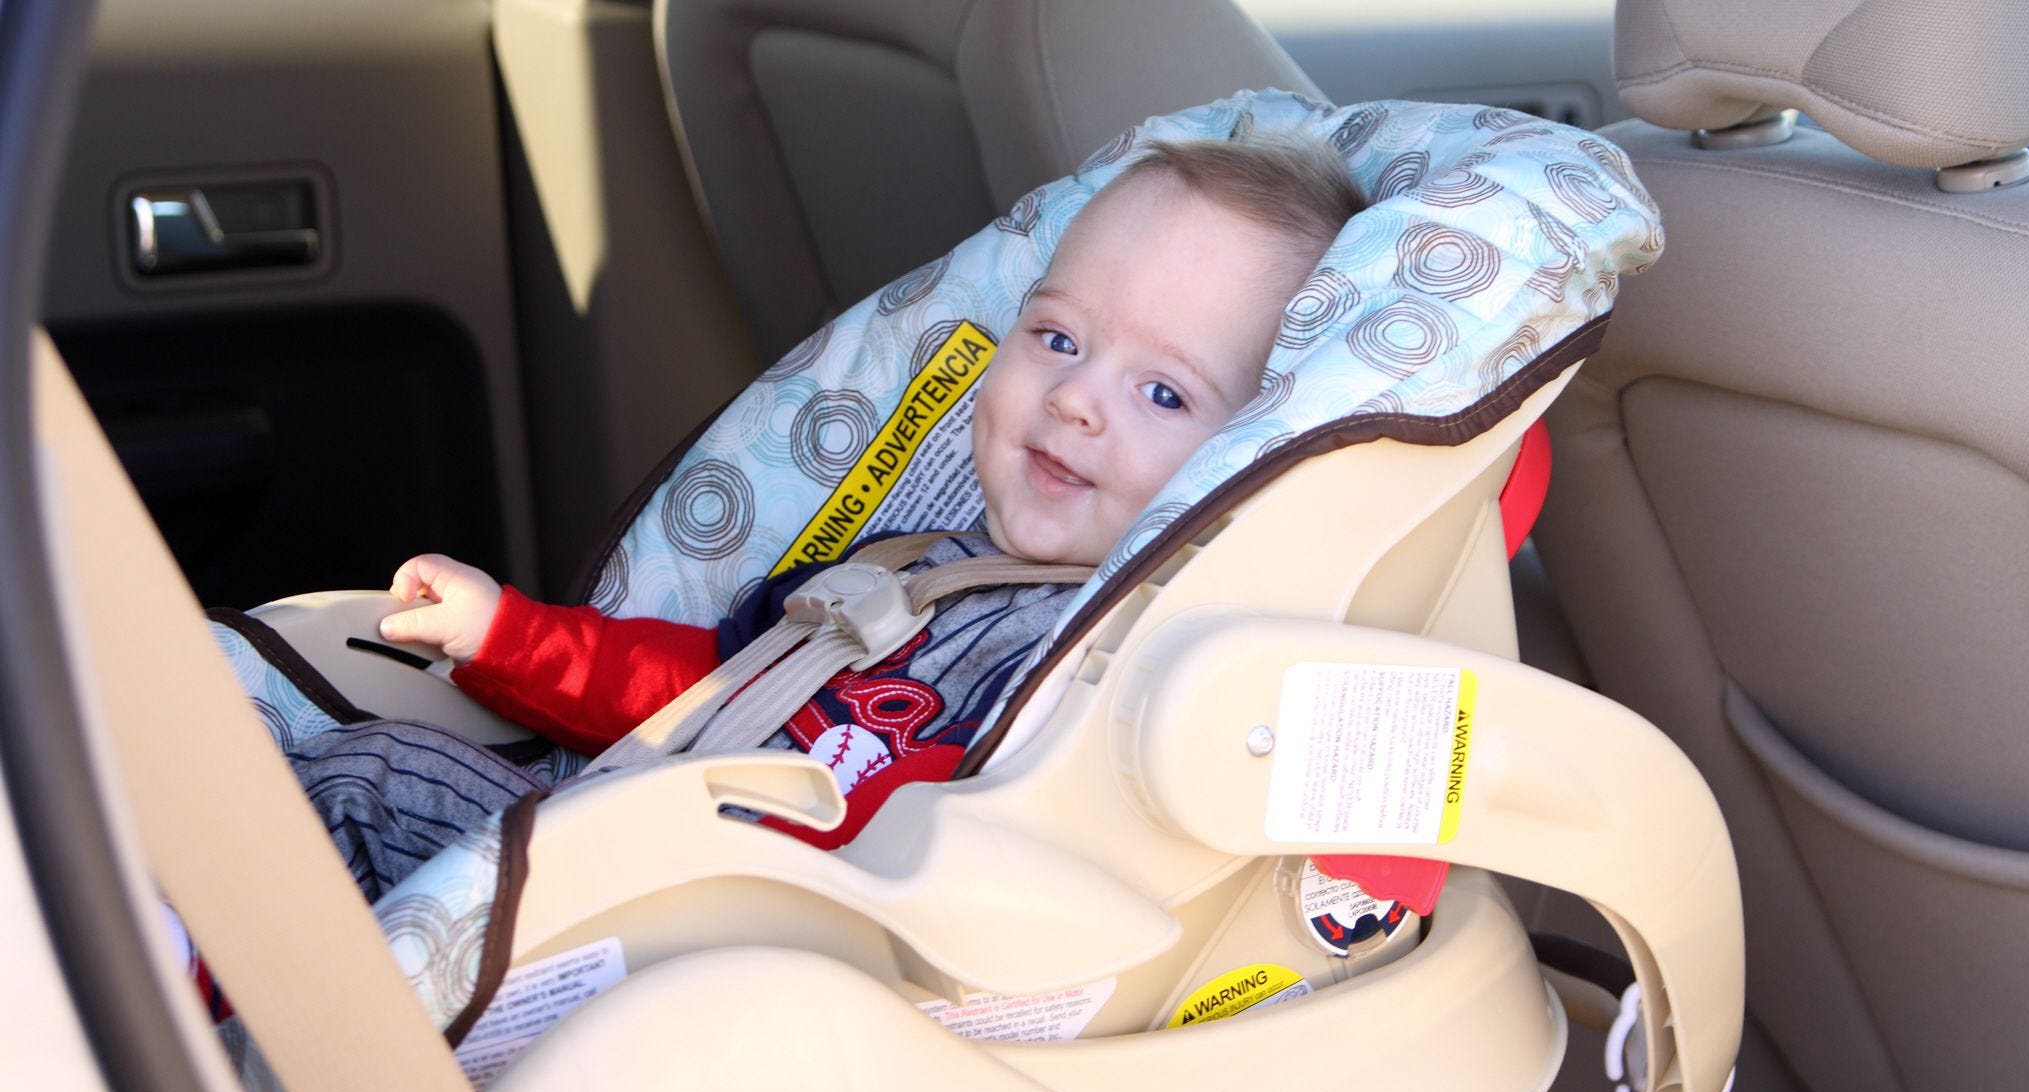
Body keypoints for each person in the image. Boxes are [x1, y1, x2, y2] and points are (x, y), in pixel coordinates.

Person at [296, 137, 1364, 895]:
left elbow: (974, 862)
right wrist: (510, 638)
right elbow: (708, 694)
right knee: (353, 764)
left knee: (371, 782)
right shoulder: (905, 568)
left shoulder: (1122, 675)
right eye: (1057, 338)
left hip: (765, 952)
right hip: (642, 867)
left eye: (1163, 393)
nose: (1075, 398)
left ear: (1251, 455)